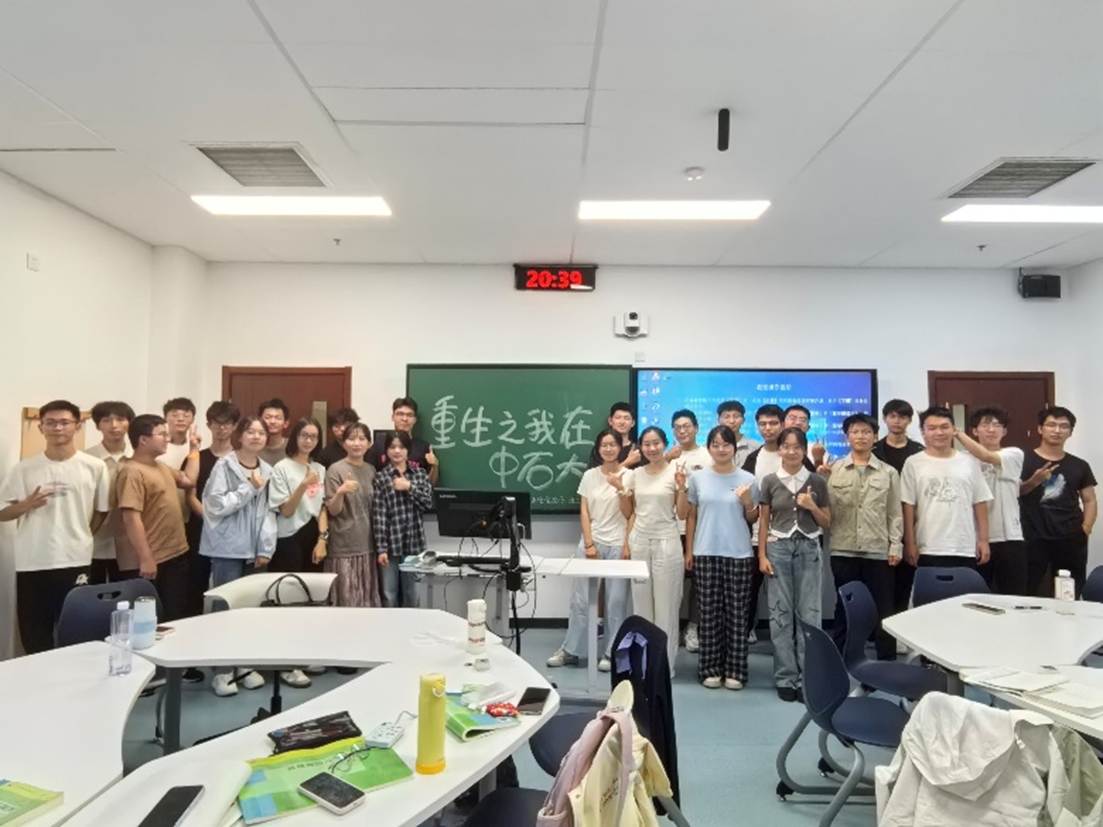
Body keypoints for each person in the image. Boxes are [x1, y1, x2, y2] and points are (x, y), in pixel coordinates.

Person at [1, 401, 109, 653]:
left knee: (75, 631)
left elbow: (102, 510)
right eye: (50, 423)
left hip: (75, 558)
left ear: (77, 426)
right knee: (34, 633)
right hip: (32, 561)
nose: (57, 428)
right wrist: (27, 504)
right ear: (41, 427)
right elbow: (2, 512)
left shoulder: (95, 466)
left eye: (64, 422)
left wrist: (81, 536)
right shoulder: (24, 469)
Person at [199, 415, 277, 697]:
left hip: (254, 549)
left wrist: (265, 547)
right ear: (240, 436)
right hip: (227, 548)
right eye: (250, 432)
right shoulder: (225, 465)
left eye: (261, 432)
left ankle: (244, 666)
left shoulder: (267, 469)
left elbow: (268, 511)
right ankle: (222, 671)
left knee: (250, 610)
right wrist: (249, 488)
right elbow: (215, 505)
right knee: (224, 610)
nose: (256, 436)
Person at [757, 427, 831, 702]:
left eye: (797, 447)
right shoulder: (769, 481)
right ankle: (785, 677)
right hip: (778, 548)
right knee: (780, 615)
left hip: (809, 548)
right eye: (786, 446)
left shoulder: (817, 481)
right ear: (779, 450)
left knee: (809, 615)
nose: (791, 451)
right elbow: (764, 521)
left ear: (804, 450)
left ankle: (808, 677)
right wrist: (762, 555)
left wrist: (812, 506)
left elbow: (827, 522)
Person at [547, 429, 631, 672]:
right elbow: (584, 511)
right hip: (591, 541)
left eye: (613, 445)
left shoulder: (630, 475)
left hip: (618, 543)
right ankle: (572, 650)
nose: (608, 449)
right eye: (604, 445)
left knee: (616, 601)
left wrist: (620, 488)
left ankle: (611, 652)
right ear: (598, 448)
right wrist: (589, 543)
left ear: (620, 448)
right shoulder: (589, 475)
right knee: (581, 600)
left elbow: (629, 513)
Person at [684, 425, 758, 690]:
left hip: (739, 553)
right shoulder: (698, 478)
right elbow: (691, 516)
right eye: (715, 444)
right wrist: (689, 551)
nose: (721, 449)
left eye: (726, 444)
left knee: (737, 615)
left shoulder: (748, 478)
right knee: (708, 615)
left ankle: (736, 670)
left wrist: (747, 501)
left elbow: (753, 517)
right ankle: (710, 669)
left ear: (734, 448)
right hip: (705, 551)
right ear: (709, 448)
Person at [609, 426, 686, 675]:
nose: (652, 448)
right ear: (640, 447)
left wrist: (682, 488)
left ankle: (664, 668)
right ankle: (643, 665)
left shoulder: (676, 472)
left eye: (656, 443)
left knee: (666, 608)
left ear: (665, 444)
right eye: (647, 444)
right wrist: (621, 491)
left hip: (667, 542)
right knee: (641, 609)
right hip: (640, 541)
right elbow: (628, 512)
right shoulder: (635, 474)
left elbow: (682, 513)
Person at [827, 414, 902, 660]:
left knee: (883, 608)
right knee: (844, 607)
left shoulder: (888, 472)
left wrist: (895, 545)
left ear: (875, 436)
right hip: (843, 549)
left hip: (877, 549)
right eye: (855, 432)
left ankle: (887, 662)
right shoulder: (834, 470)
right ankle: (840, 659)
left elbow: (894, 512)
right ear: (847, 437)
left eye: (866, 432)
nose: (860, 436)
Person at [267, 417, 328, 687]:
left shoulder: (320, 468)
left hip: (312, 536)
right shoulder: (282, 468)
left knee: (311, 599)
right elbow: (286, 510)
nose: (308, 441)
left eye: (314, 436)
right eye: (304, 435)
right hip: (288, 538)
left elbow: (322, 507)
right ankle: (286, 664)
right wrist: (303, 484)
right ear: (295, 437)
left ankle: (306, 654)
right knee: (288, 601)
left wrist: (323, 539)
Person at [115, 415, 192, 621]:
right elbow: (131, 518)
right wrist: (146, 558)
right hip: (151, 561)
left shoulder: (161, 466)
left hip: (175, 554)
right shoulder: (131, 472)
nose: (168, 438)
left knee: (176, 615)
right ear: (143, 440)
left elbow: (188, 481)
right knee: (149, 620)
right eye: (162, 434)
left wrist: (194, 450)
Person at [900, 406, 992, 570]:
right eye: (932, 428)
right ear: (923, 432)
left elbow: (980, 502)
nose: (939, 432)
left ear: (953, 429)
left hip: (964, 547)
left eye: (944, 427)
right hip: (927, 547)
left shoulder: (969, 462)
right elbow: (908, 505)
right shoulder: (913, 463)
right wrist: (909, 543)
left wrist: (984, 540)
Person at [1020, 407, 1097, 597]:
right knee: (1026, 591)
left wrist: (1086, 528)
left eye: (1063, 426)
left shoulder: (1079, 465)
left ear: (1070, 432)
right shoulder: (1023, 459)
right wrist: (1034, 481)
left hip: (1070, 537)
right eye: (1051, 425)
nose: (1057, 430)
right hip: (1031, 536)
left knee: (1068, 593)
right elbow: (1014, 493)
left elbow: (1089, 500)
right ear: (1040, 429)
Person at [953, 408, 1027, 595]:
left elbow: (987, 456)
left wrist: (957, 433)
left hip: (1009, 537)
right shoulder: (961, 459)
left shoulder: (1014, 454)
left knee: (1013, 596)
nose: (991, 430)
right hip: (974, 538)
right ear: (975, 431)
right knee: (976, 596)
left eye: (997, 425)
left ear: (1005, 431)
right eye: (985, 425)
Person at [183, 401, 239, 618]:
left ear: (235, 426)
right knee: (195, 586)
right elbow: (190, 495)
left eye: (227, 423)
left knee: (228, 590)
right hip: (200, 529)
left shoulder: (240, 459)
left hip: (231, 533)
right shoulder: (197, 457)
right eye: (216, 423)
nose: (222, 428)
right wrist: (209, 518)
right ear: (209, 425)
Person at [872, 398, 926, 617]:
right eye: (892, 416)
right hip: (879, 525)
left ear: (909, 421)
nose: (897, 421)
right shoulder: (874, 450)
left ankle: (899, 628)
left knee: (904, 584)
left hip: (911, 523)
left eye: (902, 417)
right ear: (885, 419)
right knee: (880, 586)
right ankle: (880, 631)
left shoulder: (919, 452)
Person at [372, 431, 433, 608]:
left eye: (402, 447)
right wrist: (381, 549)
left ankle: (412, 626)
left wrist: (409, 487)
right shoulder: (381, 477)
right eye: (392, 447)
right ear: (386, 451)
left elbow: (428, 503)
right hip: (390, 546)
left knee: (412, 594)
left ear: (408, 450)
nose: (397, 451)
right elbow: (379, 515)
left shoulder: (419, 474)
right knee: (389, 595)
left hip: (415, 544)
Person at [667, 409, 708, 653]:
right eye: (677, 427)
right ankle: (669, 628)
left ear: (696, 428)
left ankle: (693, 628)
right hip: (671, 528)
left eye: (687, 426)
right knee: (672, 582)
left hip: (700, 527)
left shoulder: (707, 455)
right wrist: (666, 458)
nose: (682, 431)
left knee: (699, 582)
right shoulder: (667, 456)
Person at [324, 423, 379, 607]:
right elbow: (333, 510)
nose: (357, 443)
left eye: (362, 439)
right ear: (344, 443)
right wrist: (341, 492)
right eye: (351, 439)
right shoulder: (335, 470)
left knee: (366, 600)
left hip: (368, 544)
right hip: (344, 546)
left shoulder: (371, 470)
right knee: (347, 601)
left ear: (369, 444)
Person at [85, 400, 135, 583]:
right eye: (106, 420)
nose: (114, 425)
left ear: (129, 423)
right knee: (91, 592)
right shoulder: (86, 459)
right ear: (98, 425)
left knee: (125, 593)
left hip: (130, 542)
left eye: (120, 419)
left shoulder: (137, 457)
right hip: (93, 539)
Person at [367, 398, 439, 485]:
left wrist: (434, 466)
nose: (404, 419)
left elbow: (430, 484)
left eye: (409, 415)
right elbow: (368, 473)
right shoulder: (380, 443)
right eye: (400, 414)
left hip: (413, 492)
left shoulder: (424, 447)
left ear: (415, 419)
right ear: (393, 417)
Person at [592, 402, 640, 468]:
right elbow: (597, 474)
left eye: (626, 418)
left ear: (633, 423)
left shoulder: (637, 451)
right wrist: (628, 462)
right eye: (618, 417)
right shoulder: (602, 448)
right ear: (610, 421)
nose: (622, 422)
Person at [783, 404, 831, 469]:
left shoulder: (818, 450)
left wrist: (818, 460)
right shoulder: (773, 446)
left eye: (803, 420)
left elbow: (823, 474)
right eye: (792, 418)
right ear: (782, 424)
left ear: (808, 428)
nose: (798, 423)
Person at [716, 400, 760, 469]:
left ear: (743, 420)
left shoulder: (755, 447)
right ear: (718, 420)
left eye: (736, 416)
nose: (732, 421)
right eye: (727, 417)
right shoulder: (709, 448)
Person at [258, 398, 290, 468]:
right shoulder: (253, 445)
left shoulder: (293, 446)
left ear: (286, 423)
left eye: (278, 418)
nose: (272, 421)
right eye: (267, 417)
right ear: (259, 421)